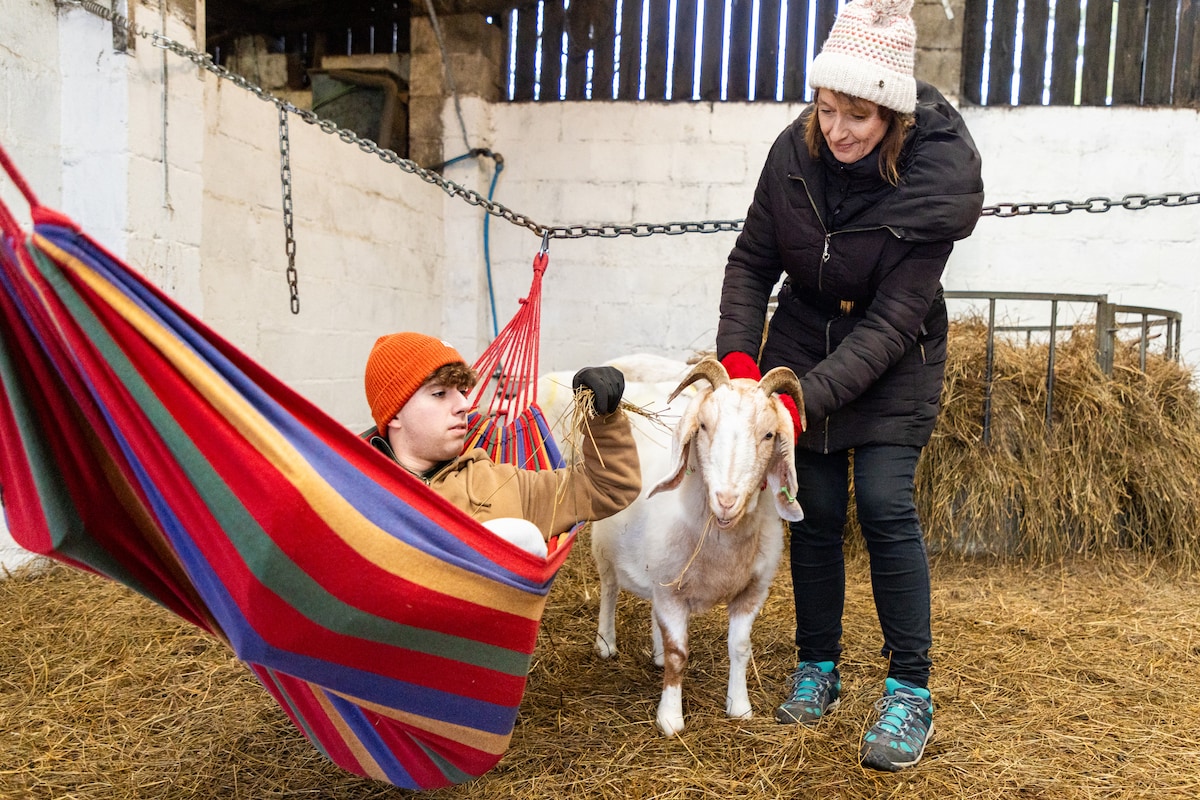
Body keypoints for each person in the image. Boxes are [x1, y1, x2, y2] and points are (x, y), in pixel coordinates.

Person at [715, 0, 984, 773]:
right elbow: (750, 263)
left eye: (858, 116)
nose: (837, 130)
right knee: (818, 508)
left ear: (892, 115)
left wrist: (799, 400)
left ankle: (908, 690)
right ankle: (819, 666)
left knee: (885, 505)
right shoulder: (792, 154)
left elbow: (895, 319)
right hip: (800, 340)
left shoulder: (934, 186)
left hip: (894, 355)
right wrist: (742, 368)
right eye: (827, 108)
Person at [362, 332, 641, 557]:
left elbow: (609, 487)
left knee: (521, 536)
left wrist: (604, 418)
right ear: (395, 413)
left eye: (461, 391)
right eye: (439, 393)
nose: (464, 405)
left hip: (484, 618)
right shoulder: (355, 491)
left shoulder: (504, 484)